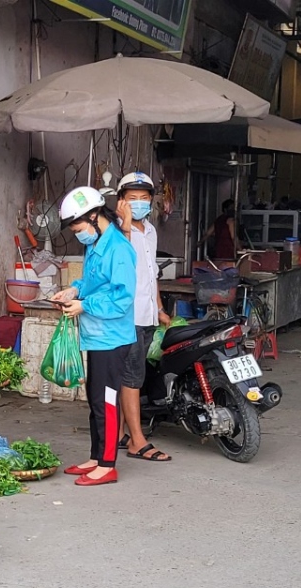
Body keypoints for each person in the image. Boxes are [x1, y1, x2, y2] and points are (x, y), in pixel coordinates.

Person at [50, 186, 137, 487]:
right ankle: (96, 456)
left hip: (112, 338)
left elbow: (122, 298)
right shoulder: (96, 245)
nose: (77, 234)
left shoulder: (119, 249)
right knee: (95, 399)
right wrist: (74, 290)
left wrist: (84, 305)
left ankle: (108, 464)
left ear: (94, 215)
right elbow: (92, 281)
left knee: (107, 402)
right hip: (97, 336)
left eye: (77, 227)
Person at [115, 172, 171, 462]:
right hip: (127, 314)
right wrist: (125, 224)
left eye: (144, 199)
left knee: (133, 374)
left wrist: (159, 308)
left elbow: (152, 274)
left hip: (147, 313)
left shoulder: (149, 230)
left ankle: (119, 433)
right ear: (121, 201)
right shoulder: (113, 230)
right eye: (131, 199)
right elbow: (120, 263)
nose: (138, 204)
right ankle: (137, 441)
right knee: (131, 377)